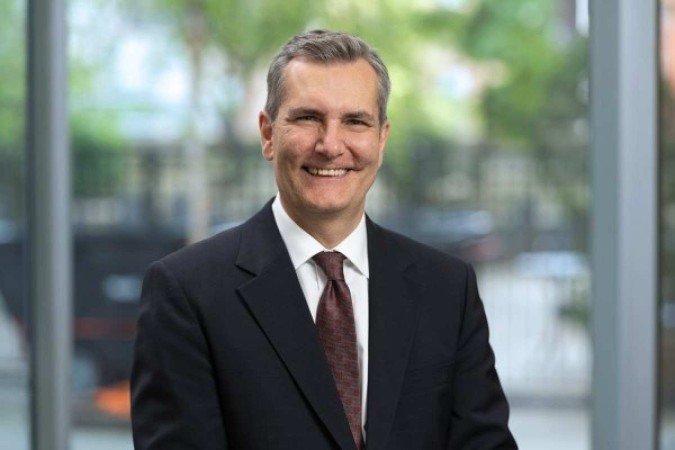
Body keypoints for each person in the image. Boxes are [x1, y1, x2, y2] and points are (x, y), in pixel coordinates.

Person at [131, 29, 517, 450]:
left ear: (381, 139)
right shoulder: (187, 292)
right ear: (268, 134)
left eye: (355, 121)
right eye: (307, 118)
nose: (330, 145)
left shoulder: (447, 288)